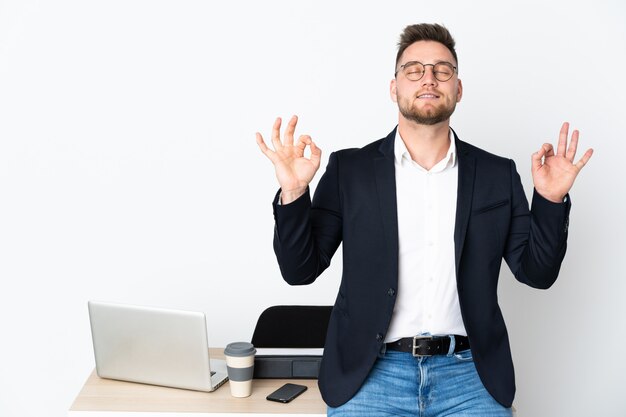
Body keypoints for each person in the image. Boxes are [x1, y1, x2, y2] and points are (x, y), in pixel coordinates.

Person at [256, 23, 592, 416]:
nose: (428, 79)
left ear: (458, 89)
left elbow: (537, 273)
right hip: (371, 376)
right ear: (394, 87)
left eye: (442, 70)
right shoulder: (351, 170)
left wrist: (550, 200)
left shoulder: (497, 175)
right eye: (413, 70)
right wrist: (294, 192)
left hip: (469, 377)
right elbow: (300, 270)